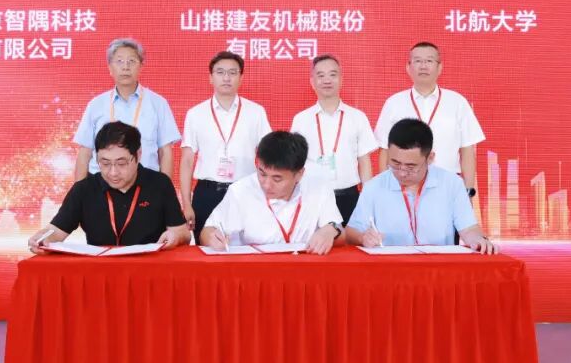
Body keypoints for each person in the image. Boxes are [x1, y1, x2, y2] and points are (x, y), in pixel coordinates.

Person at [28, 122, 190, 253]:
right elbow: (55, 231)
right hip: (100, 271)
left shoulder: (160, 184)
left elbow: (183, 233)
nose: (113, 172)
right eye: (105, 163)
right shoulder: (83, 190)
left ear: (138, 155)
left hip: (149, 270)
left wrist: (174, 236)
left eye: (121, 163)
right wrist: (42, 239)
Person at [345, 119, 497, 254]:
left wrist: (478, 240)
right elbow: (351, 232)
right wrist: (362, 237)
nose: (402, 173)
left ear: (430, 158)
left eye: (411, 167)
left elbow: (469, 228)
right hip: (390, 268)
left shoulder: (452, 184)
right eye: (395, 163)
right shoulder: (374, 187)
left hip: (438, 269)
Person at [373, 41, 485, 203]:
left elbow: (467, 150)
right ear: (408, 67)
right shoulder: (394, 103)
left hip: (448, 186)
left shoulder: (457, 102)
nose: (423, 66)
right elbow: (384, 150)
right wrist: (386, 189)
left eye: (429, 61)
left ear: (440, 68)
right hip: (404, 186)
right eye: (418, 61)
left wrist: (468, 192)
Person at [199, 132, 343, 255]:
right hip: (255, 270)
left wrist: (330, 231)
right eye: (262, 174)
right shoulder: (241, 191)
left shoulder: (319, 188)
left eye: (277, 178)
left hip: (306, 270)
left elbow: (342, 235)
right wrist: (212, 238)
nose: (266, 185)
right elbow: (207, 232)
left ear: (299, 174)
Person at [179, 51, 272, 241]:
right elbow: (187, 161)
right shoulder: (195, 114)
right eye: (220, 72)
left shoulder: (256, 112)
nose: (226, 78)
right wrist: (187, 204)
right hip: (207, 193)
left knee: (247, 247)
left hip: (245, 191)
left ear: (241, 78)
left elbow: (268, 157)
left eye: (232, 72)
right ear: (211, 77)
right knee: (207, 248)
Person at [73, 38, 181, 181]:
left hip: (146, 182)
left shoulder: (158, 103)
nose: (125, 67)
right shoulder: (96, 105)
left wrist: (164, 190)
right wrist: (79, 191)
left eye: (131, 61)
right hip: (102, 183)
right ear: (110, 68)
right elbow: (85, 152)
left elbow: (165, 152)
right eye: (119, 61)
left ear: (141, 66)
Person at [289, 54, 377, 225]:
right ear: (312, 82)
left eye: (332, 74)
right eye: (320, 75)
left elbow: (364, 161)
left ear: (341, 79)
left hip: (349, 196)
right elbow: (295, 162)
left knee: (351, 241)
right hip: (313, 197)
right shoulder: (301, 119)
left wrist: (368, 198)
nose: (327, 80)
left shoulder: (357, 117)